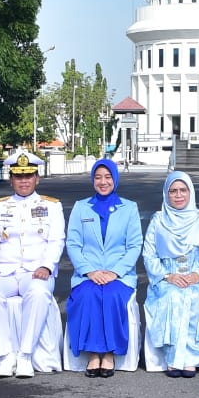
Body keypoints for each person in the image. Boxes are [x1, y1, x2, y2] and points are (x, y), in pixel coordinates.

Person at [0, 151, 64, 378]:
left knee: (37, 292)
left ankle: (25, 354)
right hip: (5, 271)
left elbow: (56, 240)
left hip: (36, 272)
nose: (24, 181)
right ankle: (5, 355)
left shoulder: (52, 206)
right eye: (18, 176)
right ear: (11, 179)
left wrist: (47, 266)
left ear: (38, 178)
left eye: (28, 176)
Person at [64, 158, 142, 378]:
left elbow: (134, 245)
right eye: (98, 177)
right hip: (88, 274)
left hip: (119, 275)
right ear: (92, 180)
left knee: (111, 295)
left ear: (115, 179)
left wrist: (115, 272)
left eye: (108, 177)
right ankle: (92, 354)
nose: (103, 182)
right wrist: (90, 271)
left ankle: (108, 353)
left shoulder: (129, 208)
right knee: (87, 295)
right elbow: (73, 243)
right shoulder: (81, 207)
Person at [142, 170, 199, 377]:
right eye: (173, 191)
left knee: (198, 298)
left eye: (183, 190)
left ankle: (191, 359)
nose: (178, 195)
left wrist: (197, 275)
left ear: (190, 192)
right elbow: (149, 255)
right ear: (166, 194)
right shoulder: (158, 220)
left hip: (196, 276)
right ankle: (173, 358)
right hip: (167, 278)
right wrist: (168, 276)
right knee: (173, 297)